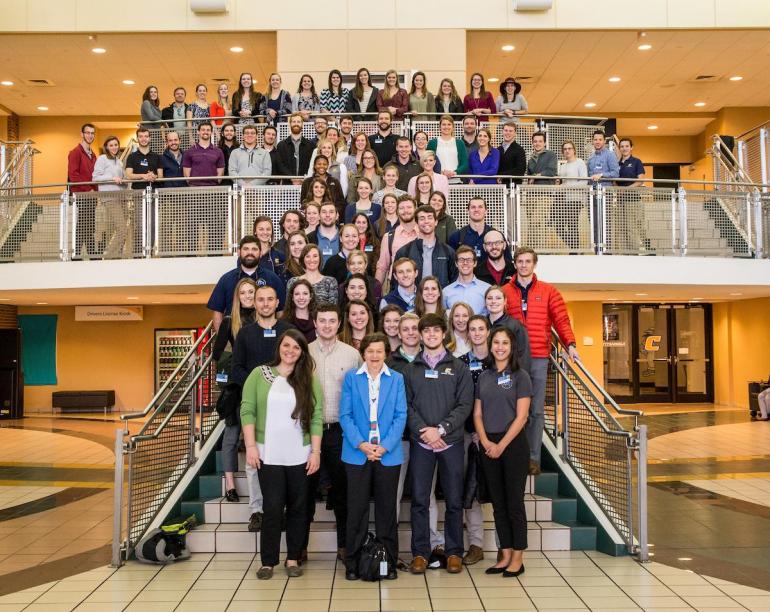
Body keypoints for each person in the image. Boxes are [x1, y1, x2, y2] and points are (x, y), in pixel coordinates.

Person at [241, 329, 322, 580]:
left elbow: (317, 416)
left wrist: (316, 452)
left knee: (298, 508)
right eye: (286, 346)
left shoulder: (308, 378)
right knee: (273, 508)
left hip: (300, 454)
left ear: (302, 353)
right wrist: (251, 446)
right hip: (269, 454)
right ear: (279, 347)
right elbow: (247, 411)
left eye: (296, 348)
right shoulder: (259, 374)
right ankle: (268, 561)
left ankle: (293, 557)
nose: (290, 351)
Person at [402, 313, 473, 575]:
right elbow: (406, 406)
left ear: (444, 334)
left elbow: (464, 404)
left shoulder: (459, 367)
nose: (431, 335)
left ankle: (454, 552)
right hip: (421, 444)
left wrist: (441, 429)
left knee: (454, 500)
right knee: (420, 500)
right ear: (420, 336)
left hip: (451, 443)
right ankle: (420, 553)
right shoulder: (411, 369)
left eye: (435, 331)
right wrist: (425, 431)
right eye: (426, 331)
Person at [502, 247, 577, 474]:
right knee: (511, 410)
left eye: (527, 261)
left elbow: (561, 320)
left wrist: (570, 345)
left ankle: (533, 458)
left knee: (535, 410)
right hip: (511, 359)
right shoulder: (504, 291)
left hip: (538, 357)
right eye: (520, 261)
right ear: (515, 264)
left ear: (534, 264)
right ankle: (513, 455)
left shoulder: (548, 291)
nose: (523, 265)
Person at [340, 332, 407, 581]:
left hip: (388, 455)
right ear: (363, 353)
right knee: (356, 511)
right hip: (357, 454)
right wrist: (363, 445)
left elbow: (401, 415)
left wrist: (385, 446)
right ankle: (353, 562)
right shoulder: (351, 378)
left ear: (386, 353)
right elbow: (345, 416)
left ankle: (387, 562)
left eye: (379, 351)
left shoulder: (397, 379)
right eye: (370, 351)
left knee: (386, 511)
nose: (375, 356)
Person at [474, 326, 532, 577]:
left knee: (514, 503)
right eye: (495, 342)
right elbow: (477, 413)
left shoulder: (521, 376)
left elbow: (521, 417)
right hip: (488, 445)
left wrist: (501, 445)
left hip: (513, 445)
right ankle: (505, 553)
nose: (499, 347)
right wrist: (486, 442)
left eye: (504, 343)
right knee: (498, 503)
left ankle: (518, 556)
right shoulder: (484, 377)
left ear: (512, 347)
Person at [307, 304, 363, 561]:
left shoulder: (352, 356)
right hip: (309, 432)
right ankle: (299, 548)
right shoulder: (303, 353)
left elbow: (361, 395)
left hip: (341, 433)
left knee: (344, 492)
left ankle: (345, 545)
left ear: (339, 324)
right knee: (304, 492)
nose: (327, 325)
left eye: (332, 321)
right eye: (322, 320)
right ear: (315, 323)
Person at [212, 280, 262, 531]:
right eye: (242, 292)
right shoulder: (231, 319)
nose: (247, 296)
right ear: (237, 296)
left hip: (259, 386)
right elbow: (216, 353)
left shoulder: (263, 318)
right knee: (232, 435)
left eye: (251, 292)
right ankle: (230, 483)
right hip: (236, 385)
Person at [457, 314, 491, 566]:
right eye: (473, 329)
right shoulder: (460, 363)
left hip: (494, 435)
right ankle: (475, 544)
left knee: (495, 492)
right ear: (467, 334)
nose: (477, 333)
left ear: (488, 332)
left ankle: (506, 546)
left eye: (481, 328)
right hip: (466, 433)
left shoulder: (499, 362)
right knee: (469, 489)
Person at [207, 235, 286, 330]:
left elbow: (280, 311)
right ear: (239, 252)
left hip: (265, 336)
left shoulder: (273, 278)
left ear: (260, 253)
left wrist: (275, 335)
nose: (250, 252)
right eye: (246, 249)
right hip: (234, 339)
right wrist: (222, 338)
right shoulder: (226, 279)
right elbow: (217, 312)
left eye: (254, 249)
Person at [231, 284, 296, 385]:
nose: (266, 304)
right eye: (261, 300)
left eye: (270, 299)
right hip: (253, 393)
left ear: (277, 303)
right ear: (255, 304)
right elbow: (237, 368)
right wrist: (256, 384)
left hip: (285, 391)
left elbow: (299, 363)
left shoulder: (290, 331)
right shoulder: (244, 333)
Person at [394, 205, 457, 288]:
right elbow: (395, 284)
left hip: (439, 299)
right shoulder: (405, 251)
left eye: (430, 217)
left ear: (436, 222)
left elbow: (454, 282)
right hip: (413, 300)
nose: (426, 221)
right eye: (422, 218)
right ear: (416, 223)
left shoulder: (448, 251)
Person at [92, 135, 127, 257]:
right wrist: (112, 178)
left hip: (121, 197)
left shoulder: (119, 161)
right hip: (110, 198)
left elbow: (121, 180)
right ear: (106, 147)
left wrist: (124, 181)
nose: (114, 147)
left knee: (122, 230)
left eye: (116, 145)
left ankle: (117, 256)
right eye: (111, 145)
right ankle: (109, 257)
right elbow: (95, 178)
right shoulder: (102, 159)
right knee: (122, 229)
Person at [484, 286, 532, 374]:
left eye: (498, 298)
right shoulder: (481, 325)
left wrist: (521, 379)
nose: (493, 301)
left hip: (509, 377)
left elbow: (523, 356)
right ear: (485, 302)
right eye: (489, 298)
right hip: (487, 377)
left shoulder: (515, 326)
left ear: (505, 301)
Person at [376, 196, 418, 285]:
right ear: (397, 211)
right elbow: (382, 268)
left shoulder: (423, 235)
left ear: (415, 209)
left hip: (421, 287)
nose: (405, 210)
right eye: (402, 208)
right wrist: (376, 293)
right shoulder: (388, 237)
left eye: (409, 207)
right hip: (396, 287)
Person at [557, 139, 589, 251]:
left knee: (572, 225)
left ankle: (575, 250)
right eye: (565, 149)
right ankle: (575, 248)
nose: (567, 151)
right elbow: (562, 183)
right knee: (558, 225)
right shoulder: (563, 166)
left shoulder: (580, 163)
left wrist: (567, 187)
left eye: (569, 148)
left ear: (574, 150)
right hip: (564, 199)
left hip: (576, 199)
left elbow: (584, 181)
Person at [443, 246, 490, 314]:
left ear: (475, 263)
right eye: (461, 260)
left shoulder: (487, 289)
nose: (465, 263)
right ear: (456, 263)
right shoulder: (446, 292)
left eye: (469, 260)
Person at [448, 197, 494, 261]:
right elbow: (451, 265)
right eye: (473, 207)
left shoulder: (495, 235)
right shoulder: (456, 237)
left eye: (480, 207)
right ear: (468, 211)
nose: (476, 210)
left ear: (486, 211)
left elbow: (506, 262)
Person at [427, 115, 469, 183]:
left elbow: (465, 163)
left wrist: (454, 172)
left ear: (453, 127)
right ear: (440, 127)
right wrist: (440, 172)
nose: (446, 127)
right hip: (437, 181)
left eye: (449, 124)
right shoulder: (432, 143)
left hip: (455, 181)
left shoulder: (460, 143)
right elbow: (427, 162)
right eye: (444, 124)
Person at [182, 121, 225, 186]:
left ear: (211, 132)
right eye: (203, 130)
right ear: (198, 132)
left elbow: (220, 173)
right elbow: (186, 174)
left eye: (208, 130)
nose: (205, 132)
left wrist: (215, 184)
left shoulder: (218, 151)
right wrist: (192, 185)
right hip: (194, 187)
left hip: (213, 188)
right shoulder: (189, 151)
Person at [275, 113, 314, 183]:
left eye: (298, 122)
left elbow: (311, 164)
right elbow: (280, 165)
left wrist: (304, 178)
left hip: (306, 183)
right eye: (294, 122)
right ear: (289, 124)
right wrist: (291, 178)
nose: (296, 124)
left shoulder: (310, 145)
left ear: (302, 124)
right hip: (287, 185)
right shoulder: (281, 145)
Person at [125, 127, 162, 191]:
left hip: (155, 192)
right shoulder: (131, 156)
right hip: (138, 193)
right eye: (141, 136)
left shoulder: (157, 156)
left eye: (146, 136)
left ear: (150, 138)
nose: (143, 139)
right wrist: (143, 176)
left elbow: (160, 176)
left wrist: (154, 176)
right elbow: (128, 175)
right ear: (137, 138)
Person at [281, 278, 316, 343]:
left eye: (305, 293)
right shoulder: (284, 322)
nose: (301, 297)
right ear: (292, 297)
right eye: (297, 294)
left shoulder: (318, 320)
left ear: (310, 296)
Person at [307, 201, 340, 266]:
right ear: (319, 216)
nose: (327, 215)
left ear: (337, 216)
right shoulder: (309, 238)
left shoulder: (346, 236)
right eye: (324, 212)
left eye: (331, 212)